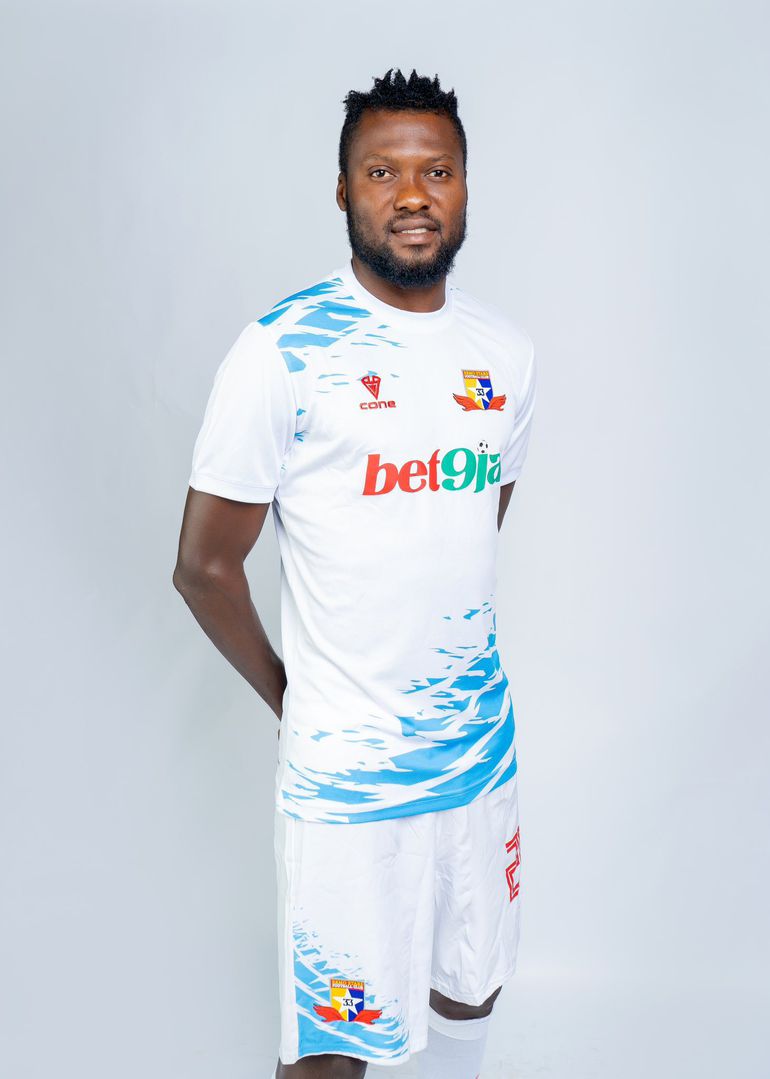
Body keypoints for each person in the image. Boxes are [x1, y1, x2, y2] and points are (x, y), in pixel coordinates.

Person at [173, 67, 537, 1079]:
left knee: (471, 984)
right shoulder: (281, 352)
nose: (412, 194)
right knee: (336, 1047)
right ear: (342, 190)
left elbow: (472, 521)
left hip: (477, 749)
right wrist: (297, 700)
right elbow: (203, 567)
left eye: (436, 171)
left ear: (465, 185)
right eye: (382, 171)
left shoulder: (505, 354)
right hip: (349, 778)